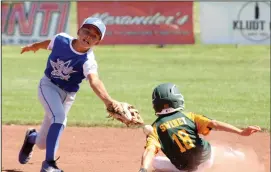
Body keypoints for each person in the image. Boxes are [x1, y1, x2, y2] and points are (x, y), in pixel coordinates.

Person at [18, 17, 124, 172]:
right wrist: (34, 46)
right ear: (79, 31)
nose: (88, 36)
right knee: (60, 118)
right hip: (48, 86)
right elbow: (49, 43)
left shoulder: (88, 60)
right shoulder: (61, 39)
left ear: (97, 42)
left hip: (68, 96)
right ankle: (49, 164)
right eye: (86, 31)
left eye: (94, 36)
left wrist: (108, 101)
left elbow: (94, 81)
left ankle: (32, 137)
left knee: (42, 143)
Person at [138, 83, 261, 172]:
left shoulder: (155, 128)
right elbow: (215, 124)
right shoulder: (189, 116)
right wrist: (240, 132)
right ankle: (232, 155)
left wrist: (143, 169)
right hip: (208, 158)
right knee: (212, 148)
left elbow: (149, 152)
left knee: (155, 163)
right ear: (177, 100)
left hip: (187, 169)